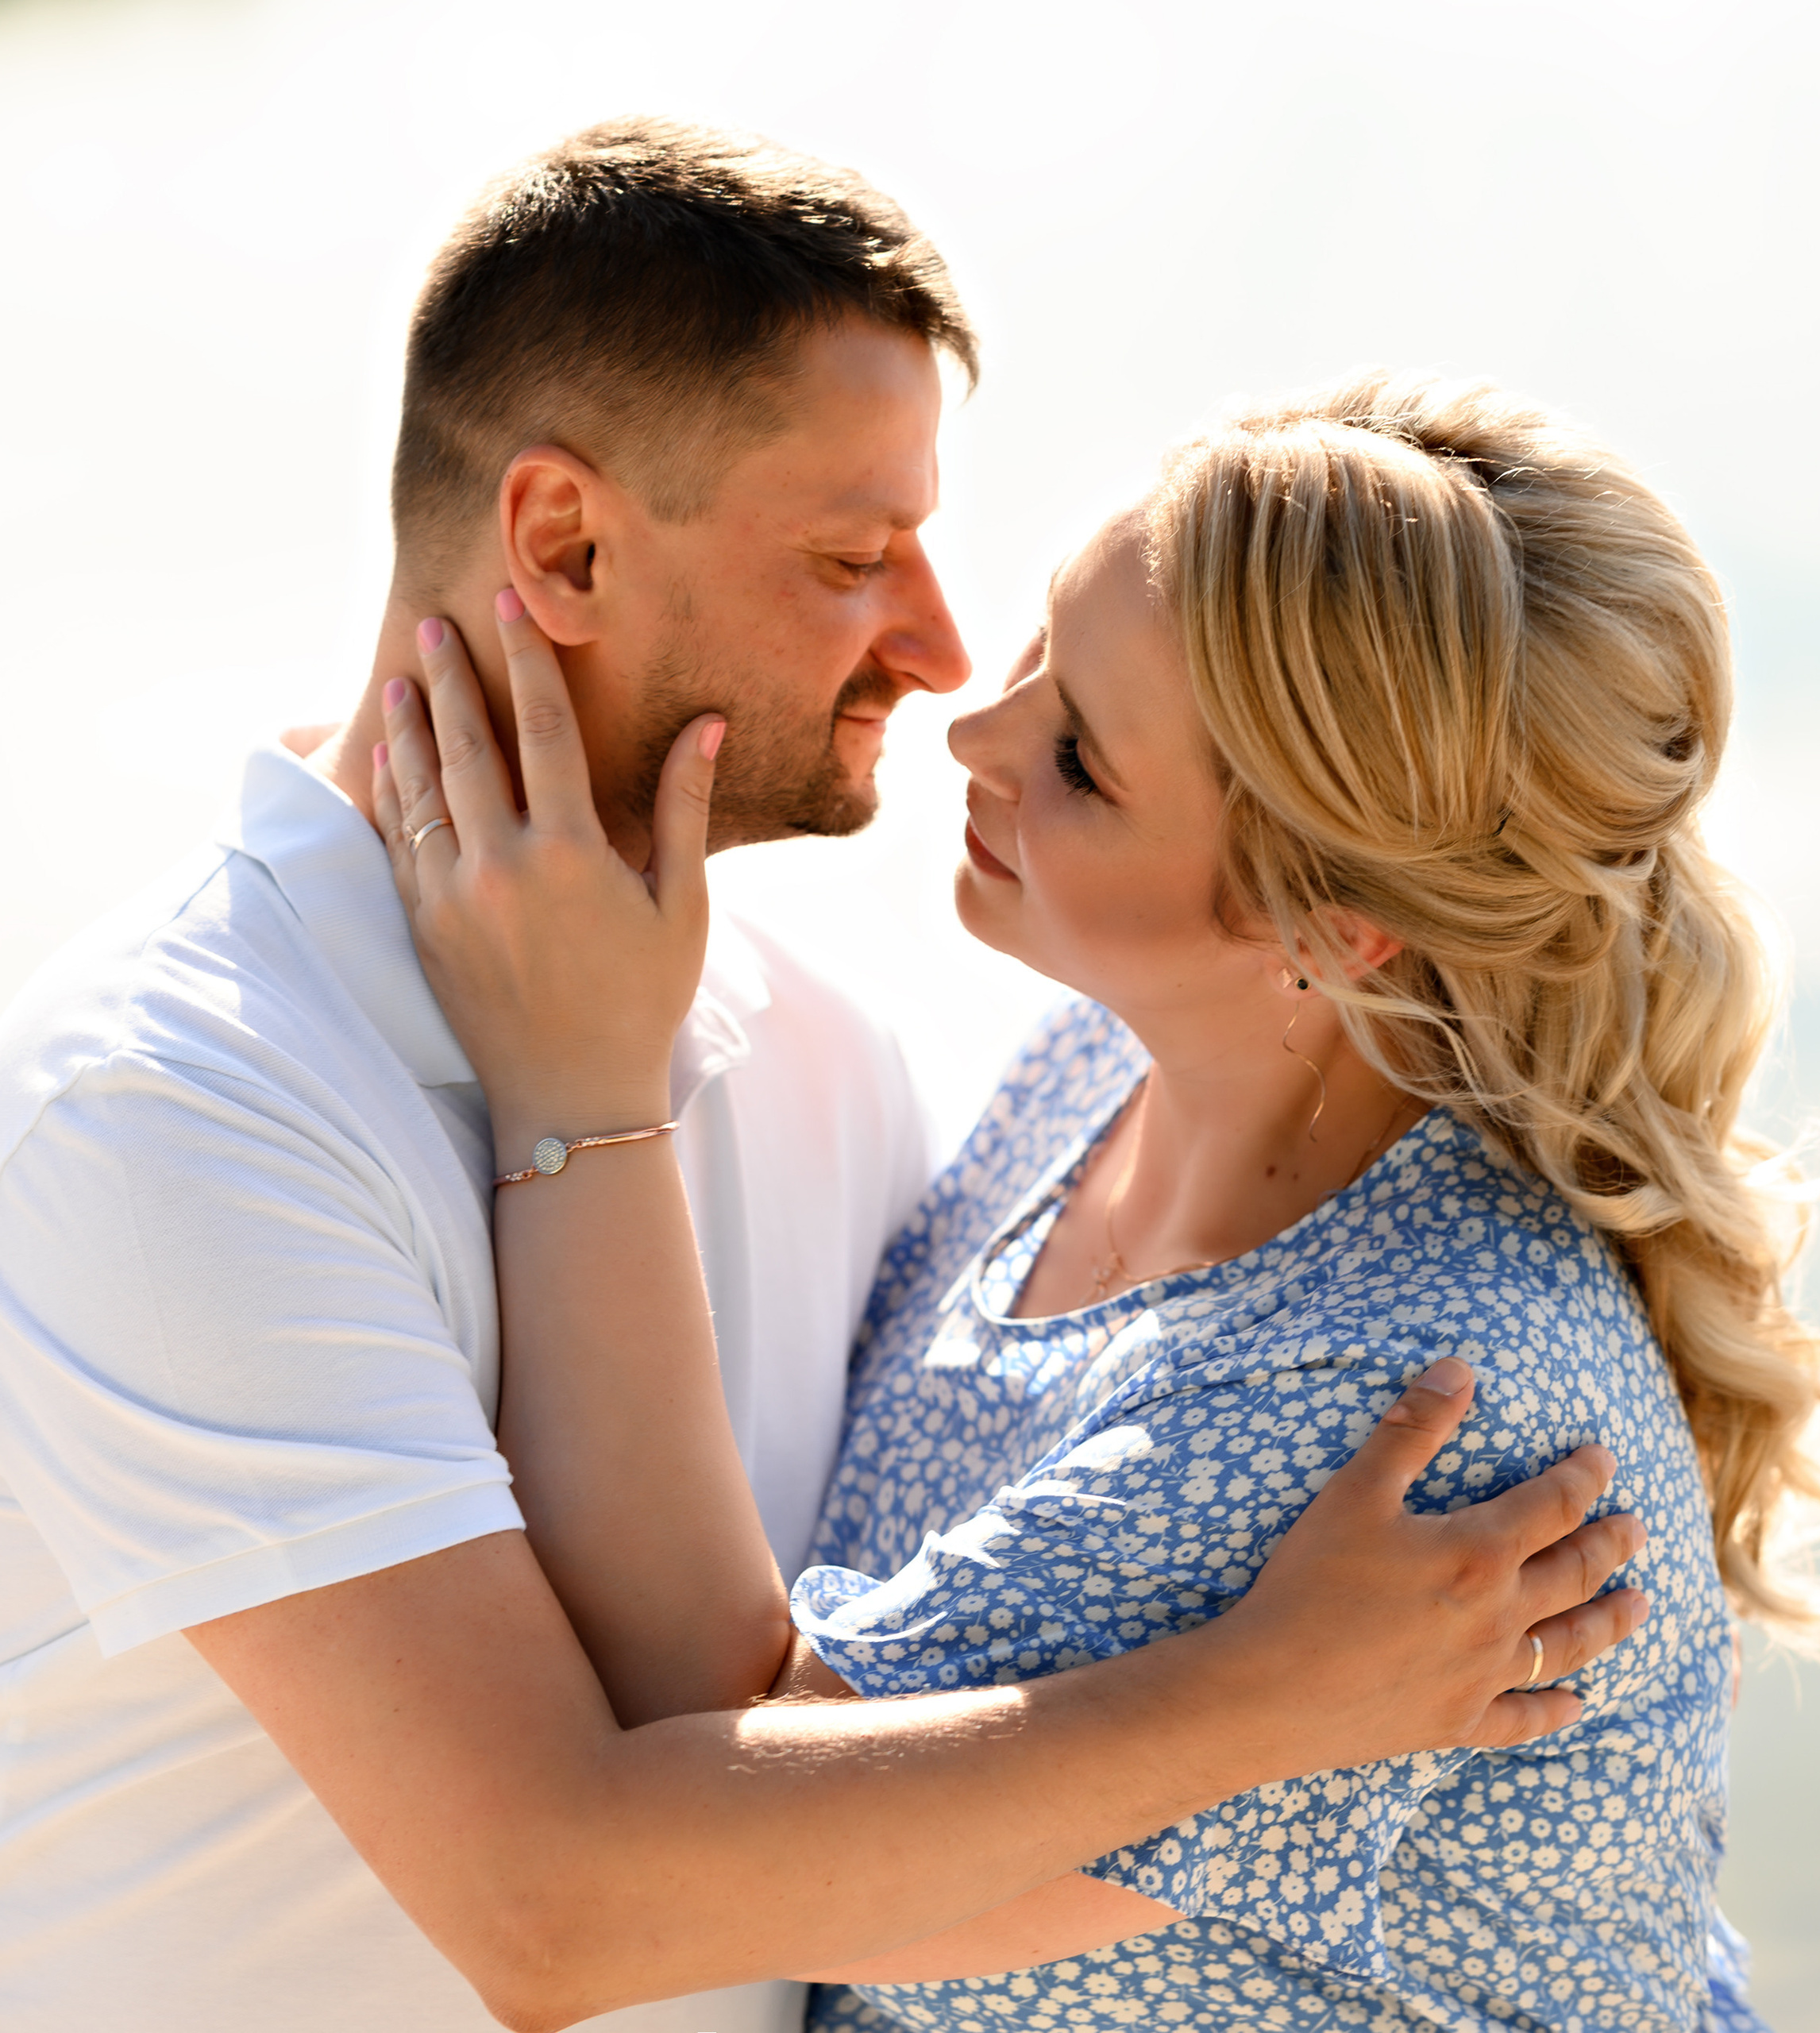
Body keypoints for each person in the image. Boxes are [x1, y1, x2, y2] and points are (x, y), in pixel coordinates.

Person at [0, 122, 1645, 2033]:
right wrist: (1258, 1695)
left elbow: (848, 1733)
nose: (944, 655)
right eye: (856, 556)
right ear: (565, 545)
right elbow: (551, 1901)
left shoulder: (819, 1045)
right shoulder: (174, 1107)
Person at [372, 371, 1820, 2031]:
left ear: (1337, 920)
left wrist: (579, 1093)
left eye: (1081, 755)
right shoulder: (1098, 1070)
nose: (974, 731)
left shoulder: (1396, 1409)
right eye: (1038, 658)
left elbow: (732, 1813)